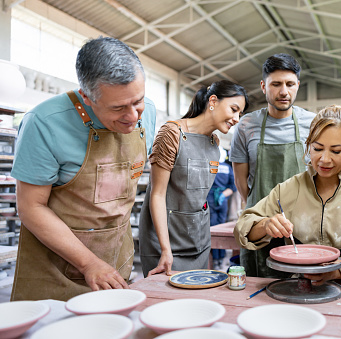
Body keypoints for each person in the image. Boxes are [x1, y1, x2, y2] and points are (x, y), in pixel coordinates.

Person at [11, 37, 157, 301]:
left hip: (116, 262)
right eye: (118, 108)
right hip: (54, 270)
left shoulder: (148, 115)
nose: (134, 116)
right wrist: (89, 263)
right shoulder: (44, 123)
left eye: (138, 101)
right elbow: (30, 207)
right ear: (87, 98)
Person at [234, 105, 341, 284]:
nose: (324, 159)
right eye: (317, 149)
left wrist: (338, 271)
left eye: (336, 151)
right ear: (308, 145)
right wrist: (265, 225)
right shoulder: (289, 189)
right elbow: (243, 228)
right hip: (299, 286)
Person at [138, 80, 249, 277]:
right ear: (213, 101)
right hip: (166, 243)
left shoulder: (214, 143)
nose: (236, 118)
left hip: (198, 241)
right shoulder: (172, 134)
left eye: (239, 113)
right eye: (233, 109)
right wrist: (165, 249)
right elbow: (157, 195)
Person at [229, 53, 315, 277]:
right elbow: (241, 183)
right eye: (276, 84)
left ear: (298, 85)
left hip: (303, 227)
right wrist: (260, 215)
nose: (283, 91)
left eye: (290, 84)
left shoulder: (314, 124)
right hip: (259, 227)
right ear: (263, 86)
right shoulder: (246, 125)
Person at [207, 146, 237, 270]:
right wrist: (223, 195)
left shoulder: (210, 165)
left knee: (212, 231)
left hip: (210, 199)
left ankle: (215, 261)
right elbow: (233, 186)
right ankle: (220, 260)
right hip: (222, 199)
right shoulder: (228, 168)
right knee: (222, 230)